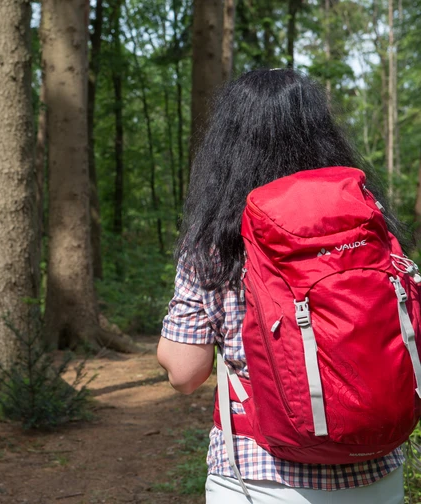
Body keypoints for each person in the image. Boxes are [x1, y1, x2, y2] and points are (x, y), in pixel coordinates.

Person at [157, 68, 407, 504]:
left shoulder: (214, 243)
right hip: (375, 471)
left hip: (260, 477)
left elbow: (185, 372)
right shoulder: (369, 223)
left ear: (226, 142)